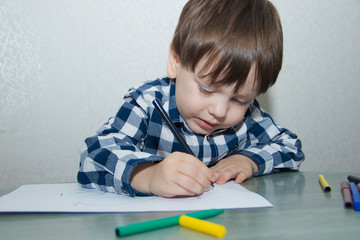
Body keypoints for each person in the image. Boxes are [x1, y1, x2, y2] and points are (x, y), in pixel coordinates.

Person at [77, 0, 305, 198]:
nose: (219, 110)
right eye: (206, 89)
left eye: (239, 100)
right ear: (175, 61)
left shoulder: (248, 118)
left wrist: (249, 160)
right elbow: (92, 156)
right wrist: (148, 176)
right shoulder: (147, 103)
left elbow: (291, 147)